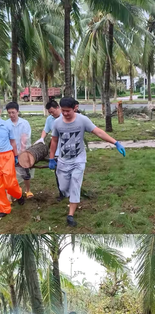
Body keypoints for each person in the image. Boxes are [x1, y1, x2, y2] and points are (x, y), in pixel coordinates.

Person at [49, 97, 126, 227]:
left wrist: (115, 142)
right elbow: (55, 140)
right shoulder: (57, 123)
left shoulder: (82, 120)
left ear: (75, 108)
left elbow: (98, 132)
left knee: (75, 185)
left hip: (78, 160)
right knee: (63, 188)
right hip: (63, 161)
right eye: (63, 111)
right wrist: (51, 158)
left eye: (68, 111)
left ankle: (70, 215)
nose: (65, 114)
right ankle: (70, 197)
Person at [6, 101, 34, 199]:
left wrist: (20, 154)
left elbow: (24, 139)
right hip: (10, 152)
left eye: (13, 112)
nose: (11, 115)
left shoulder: (24, 123)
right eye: (9, 113)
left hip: (23, 151)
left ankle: (28, 190)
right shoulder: (6, 124)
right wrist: (13, 154)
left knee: (25, 172)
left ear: (18, 111)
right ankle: (12, 193)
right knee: (10, 174)